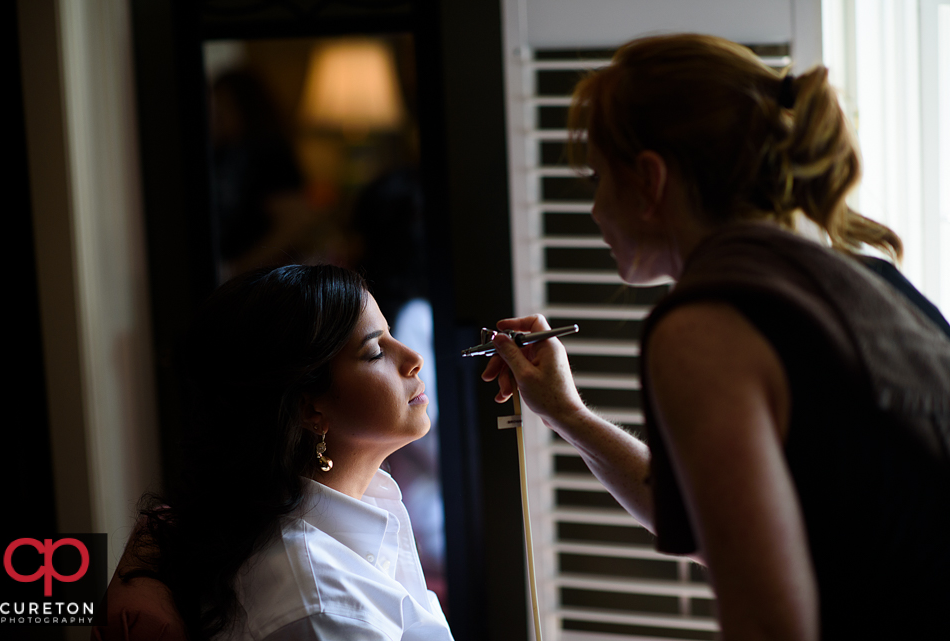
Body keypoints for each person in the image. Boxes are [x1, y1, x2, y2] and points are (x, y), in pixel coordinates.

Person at [483, 34, 950, 640]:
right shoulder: (866, 279)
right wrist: (566, 414)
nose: (595, 210)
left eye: (599, 178)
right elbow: (721, 524)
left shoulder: (704, 323)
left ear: (650, 180)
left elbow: (768, 624)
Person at [128, 265, 453, 641]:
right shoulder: (322, 613)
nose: (414, 358)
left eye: (391, 334)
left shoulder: (365, 508)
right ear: (310, 409)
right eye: (375, 350)